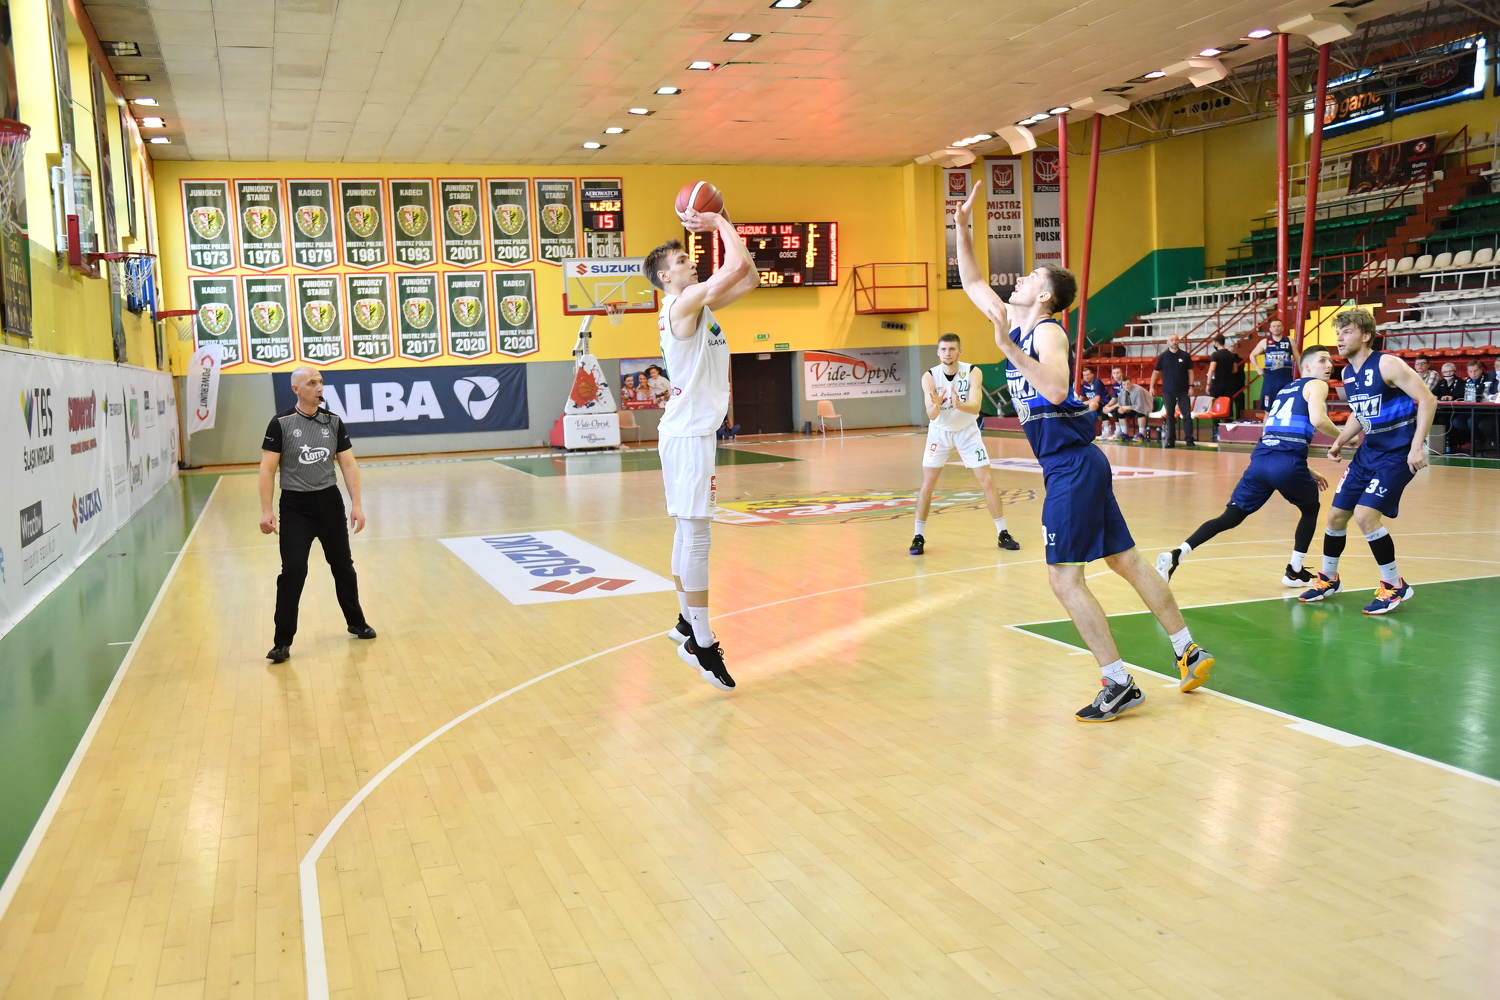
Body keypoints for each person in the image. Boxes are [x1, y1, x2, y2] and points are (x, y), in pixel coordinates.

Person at [954, 185, 1215, 722]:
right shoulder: (1012, 319)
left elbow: (1054, 388)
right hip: (1078, 463)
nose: (1021, 279)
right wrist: (961, 229)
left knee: (1064, 577)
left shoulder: (1046, 333)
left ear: (1045, 296)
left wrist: (1006, 349)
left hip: (1071, 465)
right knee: (1125, 560)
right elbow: (973, 281)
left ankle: (1118, 682)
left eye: (1032, 277)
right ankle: (1188, 650)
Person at [646, 202, 758, 691]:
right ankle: (702, 642)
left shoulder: (697, 306)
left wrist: (723, 216)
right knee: (697, 536)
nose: (691, 263)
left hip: (687, 432)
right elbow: (732, 267)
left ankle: (685, 622)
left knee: (685, 533)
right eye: (681, 261)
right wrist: (716, 222)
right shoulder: (681, 304)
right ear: (665, 278)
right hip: (689, 435)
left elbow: (748, 277)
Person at [1157, 344, 1342, 589]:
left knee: (1230, 517)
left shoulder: (1286, 389)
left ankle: (1177, 554)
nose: (1329, 365)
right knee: (1310, 510)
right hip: (1286, 462)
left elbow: (1273, 432)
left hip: (1261, 460)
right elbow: (1319, 419)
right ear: (1307, 366)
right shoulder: (1317, 384)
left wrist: (1304, 468)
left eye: (1330, 361)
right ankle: (1294, 571)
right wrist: (1346, 437)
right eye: (1323, 360)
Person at [1299, 309, 1436, 615]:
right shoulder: (1348, 373)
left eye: (1346, 332)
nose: (1339, 338)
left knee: (1364, 516)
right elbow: (1360, 413)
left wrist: (1417, 447)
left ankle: (1394, 585)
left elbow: (1428, 399)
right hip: (1368, 452)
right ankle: (1329, 579)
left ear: (1365, 336)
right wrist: (1339, 441)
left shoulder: (1387, 363)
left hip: (1397, 454)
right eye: (1338, 333)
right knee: (1336, 516)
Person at [259, 366, 376, 663]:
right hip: (295, 507)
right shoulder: (280, 423)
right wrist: (267, 510)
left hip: (329, 502)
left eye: (321, 382)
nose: (319, 387)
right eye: (312, 383)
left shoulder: (333, 422)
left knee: (343, 565)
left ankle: (356, 621)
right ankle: (282, 642)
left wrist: (357, 504)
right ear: (296, 389)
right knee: (293, 571)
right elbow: (267, 469)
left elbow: (348, 464)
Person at [909, 333, 1021, 555]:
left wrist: (959, 405)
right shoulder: (929, 376)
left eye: (952, 349)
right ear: (938, 352)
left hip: (967, 432)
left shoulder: (972, 372)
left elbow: (976, 406)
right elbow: (931, 415)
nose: (947, 353)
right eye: (943, 349)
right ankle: (918, 537)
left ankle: (1003, 533)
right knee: (928, 483)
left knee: (987, 481)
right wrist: (937, 405)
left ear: (959, 351)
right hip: (940, 433)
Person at [1149, 334, 1195, 447]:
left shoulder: (1185, 355)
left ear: (1179, 341)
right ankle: (1170, 440)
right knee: (1169, 415)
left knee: (1187, 415)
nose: (1174, 342)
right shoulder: (1163, 357)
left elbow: (1190, 371)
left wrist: (1191, 386)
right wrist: (1151, 387)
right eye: (1171, 340)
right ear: (1168, 342)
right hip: (1168, 390)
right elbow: (1155, 372)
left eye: (1176, 340)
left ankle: (1189, 439)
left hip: (1183, 390)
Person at [1249, 318, 1294, 410]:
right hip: (1270, 379)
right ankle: (1267, 420)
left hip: (1286, 378)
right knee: (1268, 409)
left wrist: (1303, 374)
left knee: (1287, 408)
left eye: (1278, 326)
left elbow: (1298, 357)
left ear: (1282, 328)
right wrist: (1257, 368)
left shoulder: (1289, 341)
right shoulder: (1264, 342)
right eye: (1274, 326)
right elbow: (1252, 355)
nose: (1276, 328)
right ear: (1270, 329)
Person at [1206, 334, 1244, 427]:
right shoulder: (1231, 355)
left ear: (1216, 343)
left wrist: (1208, 384)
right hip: (1229, 383)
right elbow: (1235, 370)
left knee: (1213, 403)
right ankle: (1228, 426)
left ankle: (1216, 427)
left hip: (1217, 382)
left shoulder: (1215, 355)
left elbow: (1211, 369)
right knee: (1228, 406)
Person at [1103, 371, 1150, 442]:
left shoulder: (1138, 389)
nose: (1126, 386)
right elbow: (1121, 403)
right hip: (1133, 406)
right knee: (1120, 411)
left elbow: (1140, 405)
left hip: (1146, 405)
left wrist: (1125, 408)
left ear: (1132, 383)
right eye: (1124, 385)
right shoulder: (1123, 390)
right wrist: (1120, 408)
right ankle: (1124, 434)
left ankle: (1141, 434)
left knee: (1140, 412)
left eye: (1128, 384)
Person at [1078, 365, 1109, 438]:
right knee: (1078, 407)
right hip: (1095, 405)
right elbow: (1081, 398)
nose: (1086, 377)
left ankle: (1092, 430)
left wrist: (1083, 403)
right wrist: (1076, 404)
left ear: (1092, 375)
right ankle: (1083, 431)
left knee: (1092, 404)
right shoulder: (1084, 384)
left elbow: (1097, 399)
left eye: (1088, 375)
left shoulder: (1097, 382)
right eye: (1084, 375)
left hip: (1105, 402)